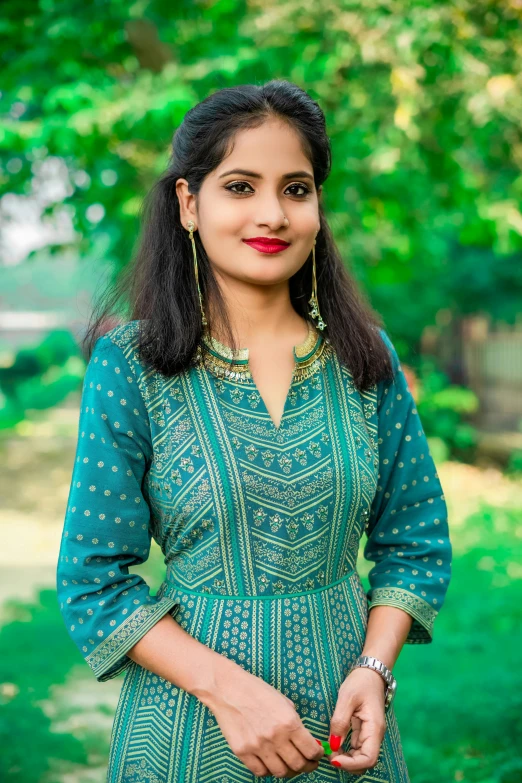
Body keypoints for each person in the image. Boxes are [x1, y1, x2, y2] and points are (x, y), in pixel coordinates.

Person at [56, 80, 452, 782]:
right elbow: (93, 581)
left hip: (345, 735)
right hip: (183, 736)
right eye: (240, 186)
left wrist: (373, 668)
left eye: (296, 189)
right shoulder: (133, 367)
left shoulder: (367, 360)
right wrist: (232, 693)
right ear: (188, 203)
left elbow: (414, 541)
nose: (272, 213)